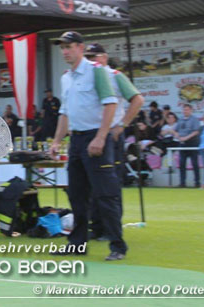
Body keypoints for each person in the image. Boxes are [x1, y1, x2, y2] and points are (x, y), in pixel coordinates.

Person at [49, 31, 127, 261]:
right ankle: (77, 244)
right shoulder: (66, 77)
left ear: (80, 48)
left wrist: (101, 137)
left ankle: (117, 245)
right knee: (76, 195)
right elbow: (64, 112)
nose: (65, 52)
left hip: (95, 137)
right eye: (62, 48)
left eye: (69, 47)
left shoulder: (97, 71)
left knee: (106, 195)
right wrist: (56, 141)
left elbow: (110, 104)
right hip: (77, 140)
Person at [84, 42, 144, 241]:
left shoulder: (115, 76)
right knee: (91, 185)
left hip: (111, 135)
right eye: (88, 57)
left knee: (109, 186)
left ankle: (111, 229)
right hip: (90, 134)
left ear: (104, 58)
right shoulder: (84, 78)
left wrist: (123, 125)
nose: (91, 61)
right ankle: (97, 226)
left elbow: (137, 99)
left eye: (94, 57)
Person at [176, 104, 201, 188]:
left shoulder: (194, 119)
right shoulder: (180, 119)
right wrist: (178, 136)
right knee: (182, 163)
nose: (185, 111)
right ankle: (182, 182)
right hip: (182, 144)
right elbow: (176, 130)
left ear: (191, 110)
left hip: (192, 143)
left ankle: (197, 182)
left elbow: (196, 131)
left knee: (194, 163)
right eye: (184, 109)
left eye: (187, 109)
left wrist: (186, 138)